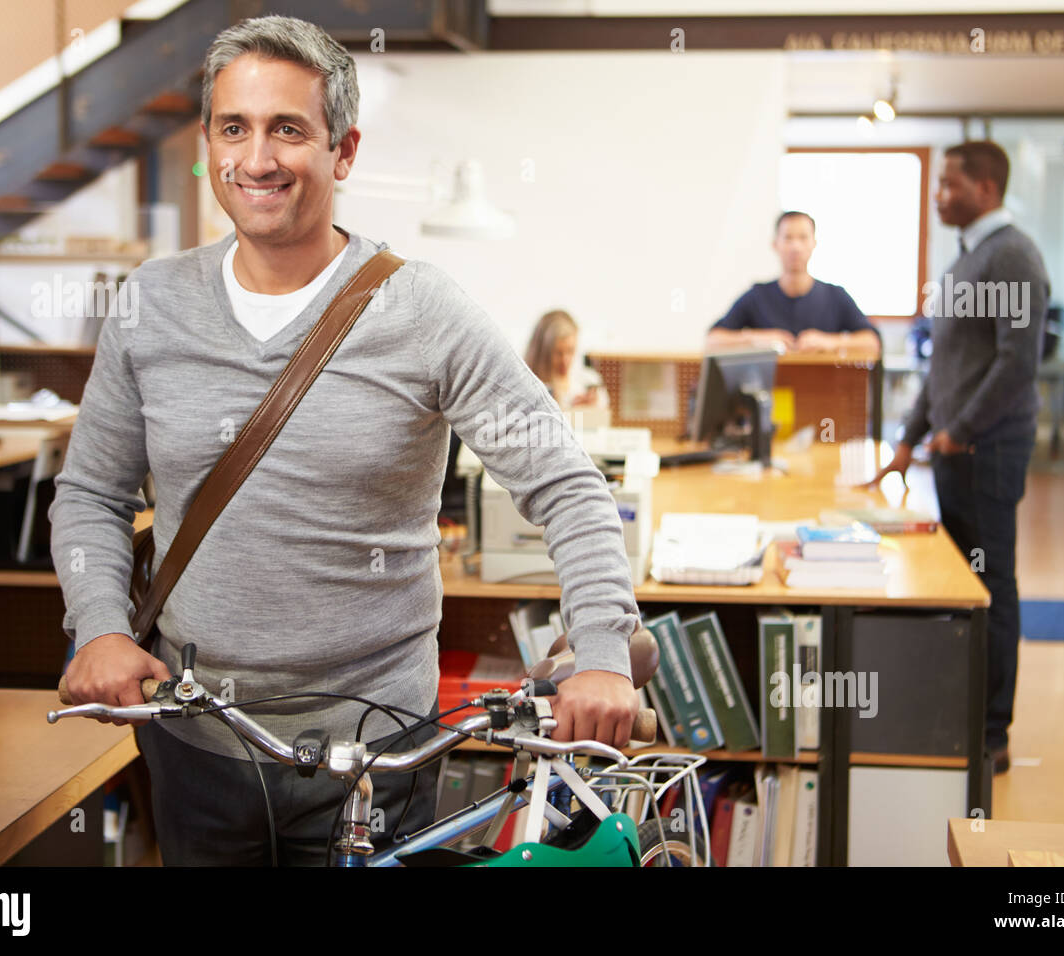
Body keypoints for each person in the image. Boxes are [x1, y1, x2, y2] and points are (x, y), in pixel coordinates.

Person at [49, 15, 640, 865]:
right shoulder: (151, 303)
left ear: (345, 151)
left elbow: (567, 484)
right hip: (194, 744)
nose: (256, 159)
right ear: (209, 141)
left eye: (288, 129)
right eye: (234, 127)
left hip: (379, 755)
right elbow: (93, 493)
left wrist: (603, 653)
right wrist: (102, 626)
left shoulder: (426, 313)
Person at [867, 140, 1049, 776]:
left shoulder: (1015, 256)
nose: (938, 195)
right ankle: (968, 710)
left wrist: (957, 430)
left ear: (987, 188)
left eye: (949, 184)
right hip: (955, 451)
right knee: (965, 585)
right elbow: (943, 366)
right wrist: (910, 440)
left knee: (991, 585)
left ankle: (993, 733)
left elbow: (1016, 363)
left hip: (987, 452)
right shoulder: (969, 258)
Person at [706, 211, 881, 355]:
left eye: (803, 238)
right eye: (788, 238)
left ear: (813, 243)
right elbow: (713, 340)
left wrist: (830, 342)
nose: (795, 247)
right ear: (775, 244)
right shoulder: (758, 296)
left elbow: (872, 342)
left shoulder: (835, 296)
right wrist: (757, 339)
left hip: (823, 391)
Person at [524, 309, 609, 410]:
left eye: (570, 351)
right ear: (543, 352)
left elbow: (604, 414)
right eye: (558, 353)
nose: (565, 360)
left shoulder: (589, 381)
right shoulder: (528, 388)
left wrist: (590, 410)